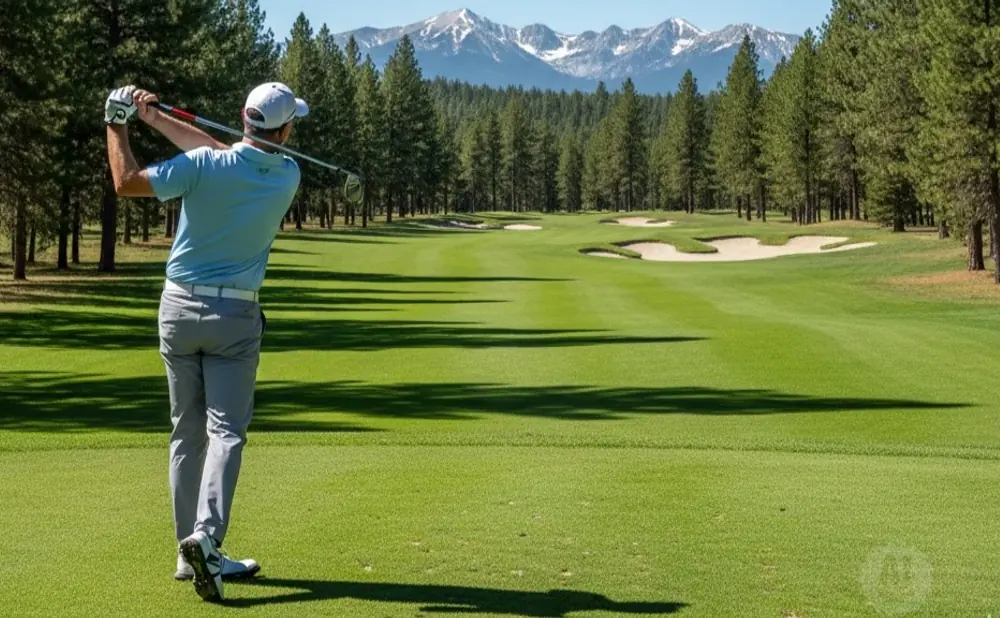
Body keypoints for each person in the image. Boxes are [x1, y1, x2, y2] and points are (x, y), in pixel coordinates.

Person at [104, 82, 309, 602]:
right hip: (234, 314)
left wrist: (119, 121)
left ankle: (185, 551)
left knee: (185, 431)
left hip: (177, 310)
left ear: (243, 119)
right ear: (283, 132)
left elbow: (127, 181)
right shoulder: (288, 174)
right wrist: (155, 118)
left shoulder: (202, 167)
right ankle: (208, 541)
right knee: (226, 432)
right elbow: (222, 155)